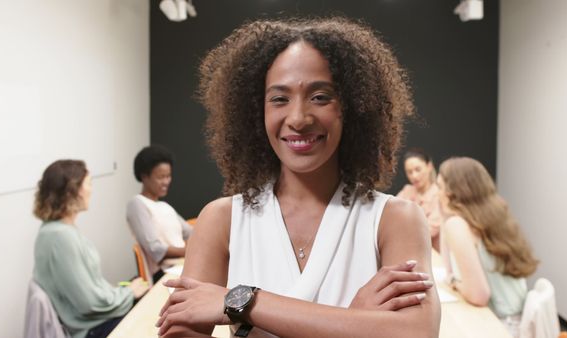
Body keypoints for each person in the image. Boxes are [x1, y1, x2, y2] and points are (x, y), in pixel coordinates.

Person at [157, 17, 440, 338]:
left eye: (320, 97)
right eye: (279, 98)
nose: (298, 118)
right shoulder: (221, 220)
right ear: (254, 112)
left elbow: (417, 332)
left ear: (352, 107)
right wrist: (354, 322)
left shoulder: (396, 219)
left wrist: (243, 301)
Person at [32, 160, 149, 338]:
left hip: (91, 322)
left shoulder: (54, 230)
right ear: (72, 191)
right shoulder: (61, 237)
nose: (91, 190)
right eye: (89, 184)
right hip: (90, 330)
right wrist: (128, 293)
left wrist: (122, 291)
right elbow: (89, 303)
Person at [436, 157, 539, 336]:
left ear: (453, 191)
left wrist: (454, 282)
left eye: (439, 186)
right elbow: (450, 267)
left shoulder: (458, 225)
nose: (436, 193)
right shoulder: (493, 215)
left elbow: (478, 295)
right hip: (520, 321)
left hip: (500, 327)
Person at [126, 145, 192, 283]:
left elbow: (191, 232)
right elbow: (155, 249)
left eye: (168, 176)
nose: (166, 182)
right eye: (161, 177)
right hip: (164, 273)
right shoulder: (137, 204)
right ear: (144, 176)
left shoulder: (164, 206)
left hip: (181, 266)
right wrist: (190, 251)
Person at [397, 148, 443, 252]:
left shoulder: (440, 195)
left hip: (434, 256)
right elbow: (391, 219)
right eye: (409, 172)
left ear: (429, 166)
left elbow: (428, 231)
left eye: (418, 169)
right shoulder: (406, 191)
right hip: (406, 251)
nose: (414, 176)